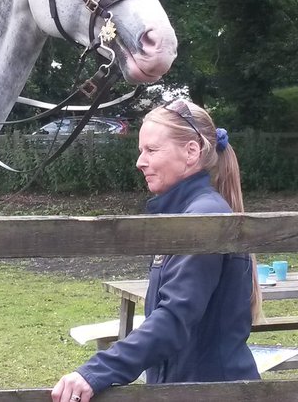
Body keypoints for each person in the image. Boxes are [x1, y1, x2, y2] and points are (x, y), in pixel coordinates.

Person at [51, 100, 261, 402]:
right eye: (141, 150)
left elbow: (174, 319)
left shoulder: (202, 219)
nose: (140, 161)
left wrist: (96, 372)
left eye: (151, 150)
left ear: (191, 152)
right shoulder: (187, 215)